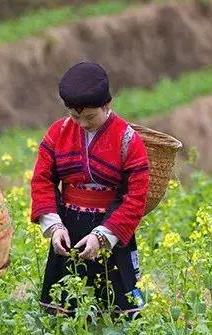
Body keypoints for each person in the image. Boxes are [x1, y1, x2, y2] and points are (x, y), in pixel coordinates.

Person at [30, 61, 150, 316]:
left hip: (112, 230)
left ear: (107, 106)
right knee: (66, 313)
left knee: (118, 314)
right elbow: (42, 180)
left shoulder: (129, 141)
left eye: (90, 117)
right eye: (75, 117)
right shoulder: (57, 133)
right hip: (68, 230)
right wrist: (54, 227)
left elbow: (135, 197)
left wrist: (102, 236)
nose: (82, 124)